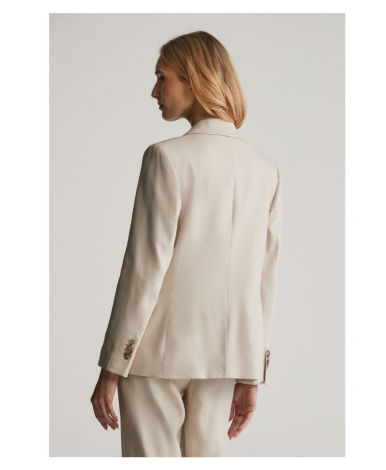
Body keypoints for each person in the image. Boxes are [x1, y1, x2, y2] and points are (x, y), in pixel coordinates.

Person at [90, 30, 283, 457]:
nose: (154, 91)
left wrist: (112, 365)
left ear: (194, 79)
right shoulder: (265, 170)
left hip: (154, 354)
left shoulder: (165, 157)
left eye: (162, 78)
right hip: (226, 358)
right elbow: (263, 282)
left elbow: (144, 271)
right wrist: (251, 373)